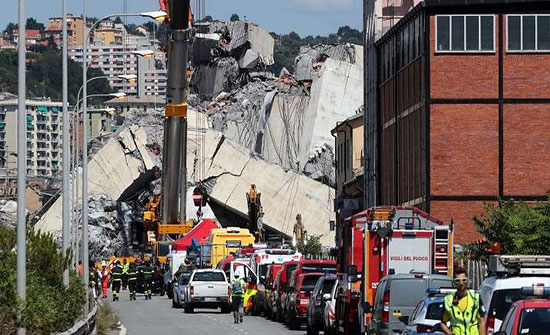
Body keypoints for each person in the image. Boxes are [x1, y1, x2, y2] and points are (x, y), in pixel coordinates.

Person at [440, 267, 486, 335]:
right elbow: (442, 323)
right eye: (458, 280)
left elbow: (482, 321)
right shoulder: (448, 300)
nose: (461, 283)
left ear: (467, 281)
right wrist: (448, 332)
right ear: (454, 282)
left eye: (464, 280)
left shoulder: (475, 298)